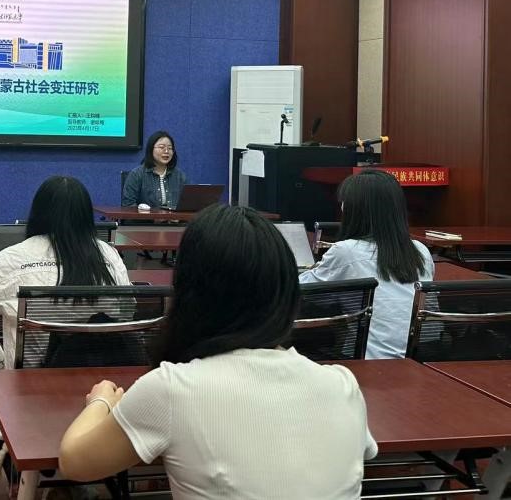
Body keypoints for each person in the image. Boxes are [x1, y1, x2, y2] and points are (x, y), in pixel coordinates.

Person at [59, 205, 377, 499]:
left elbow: (74, 462)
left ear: (189, 292)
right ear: (287, 291)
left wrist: (101, 401)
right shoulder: (343, 384)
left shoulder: (171, 389)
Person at [0, 175, 131, 369]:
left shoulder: (13, 259)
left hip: (28, 384)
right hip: (105, 381)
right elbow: (128, 312)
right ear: (86, 215)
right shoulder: (109, 255)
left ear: (38, 212)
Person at [299, 168, 434, 359]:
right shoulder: (421, 251)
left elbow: (302, 290)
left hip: (368, 360)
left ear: (354, 210)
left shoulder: (347, 251)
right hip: (420, 359)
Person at [122, 130, 188, 209]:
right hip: (145, 217)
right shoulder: (137, 174)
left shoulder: (180, 176)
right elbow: (128, 205)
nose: (166, 151)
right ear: (151, 149)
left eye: (170, 148)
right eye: (161, 147)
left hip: (175, 217)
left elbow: (188, 203)